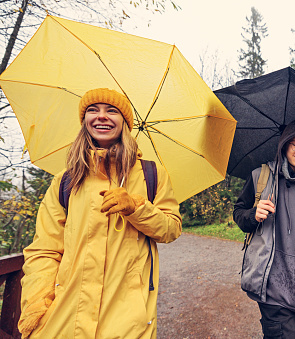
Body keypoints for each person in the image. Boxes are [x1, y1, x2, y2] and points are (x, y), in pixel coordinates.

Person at [17, 88, 182, 338]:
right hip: (66, 314)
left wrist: (136, 207)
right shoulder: (66, 181)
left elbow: (171, 229)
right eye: (92, 110)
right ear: (84, 121)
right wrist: (37, 303)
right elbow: (44, 250)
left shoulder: (151, 174)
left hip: (128, 318)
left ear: (125, 123)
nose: (101, 116)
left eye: (111, 111)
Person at [233, 120, 295, 339]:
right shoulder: (259, 177)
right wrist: (253, 214)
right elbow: (239, 214)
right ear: (284, 145)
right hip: (271, 287)